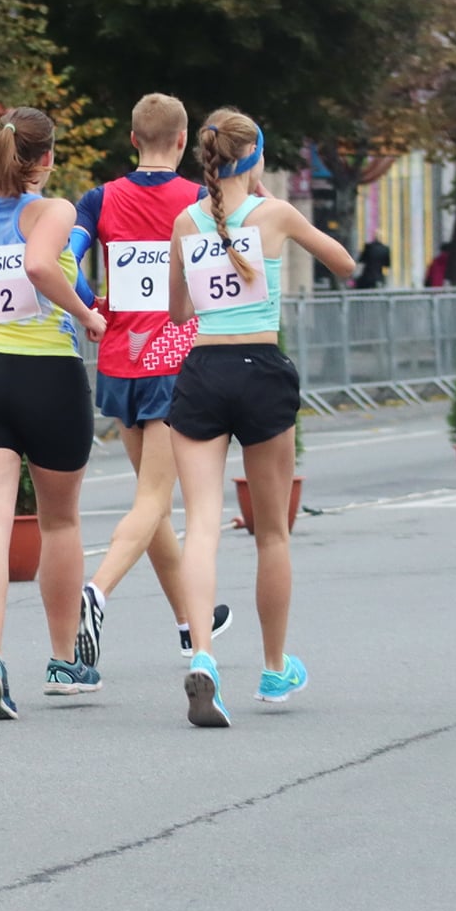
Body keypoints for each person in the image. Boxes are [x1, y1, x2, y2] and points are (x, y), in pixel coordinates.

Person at [167, 108, 355, 728]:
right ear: (256, 159)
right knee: (271, 532)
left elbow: (178, 313)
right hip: (262, 368)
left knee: (201, 524)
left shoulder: (185, 222)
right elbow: (344, 263)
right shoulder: (275, 215)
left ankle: (203, 655)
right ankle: (275, 669)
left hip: (203, 369)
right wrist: (276, 217)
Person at [0, 107, 106, 719]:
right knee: (59, 521)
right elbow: (39, 265)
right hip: (47, 373)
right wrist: (86, 314)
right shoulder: (54, 211)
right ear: (47, 158)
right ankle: (64, 660)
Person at [71, 93, 234, 680]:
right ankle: (95, 592)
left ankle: (191, 623)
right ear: (184, 141)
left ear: (133, 139)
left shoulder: (98, 199)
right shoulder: (197, 200)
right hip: (174, 360)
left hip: (120, 359)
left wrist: (92, 307)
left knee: (154, 502)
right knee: (154, 501)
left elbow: (64, 262)